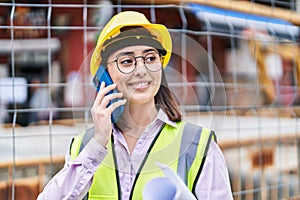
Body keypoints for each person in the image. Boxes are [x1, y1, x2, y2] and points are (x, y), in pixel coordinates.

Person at [37, 11, 233, 200]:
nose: (141, 70)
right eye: (127, 61)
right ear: (104, 75)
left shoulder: (198, 146)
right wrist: (97, 145)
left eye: (150, 58)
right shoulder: (84, 145)